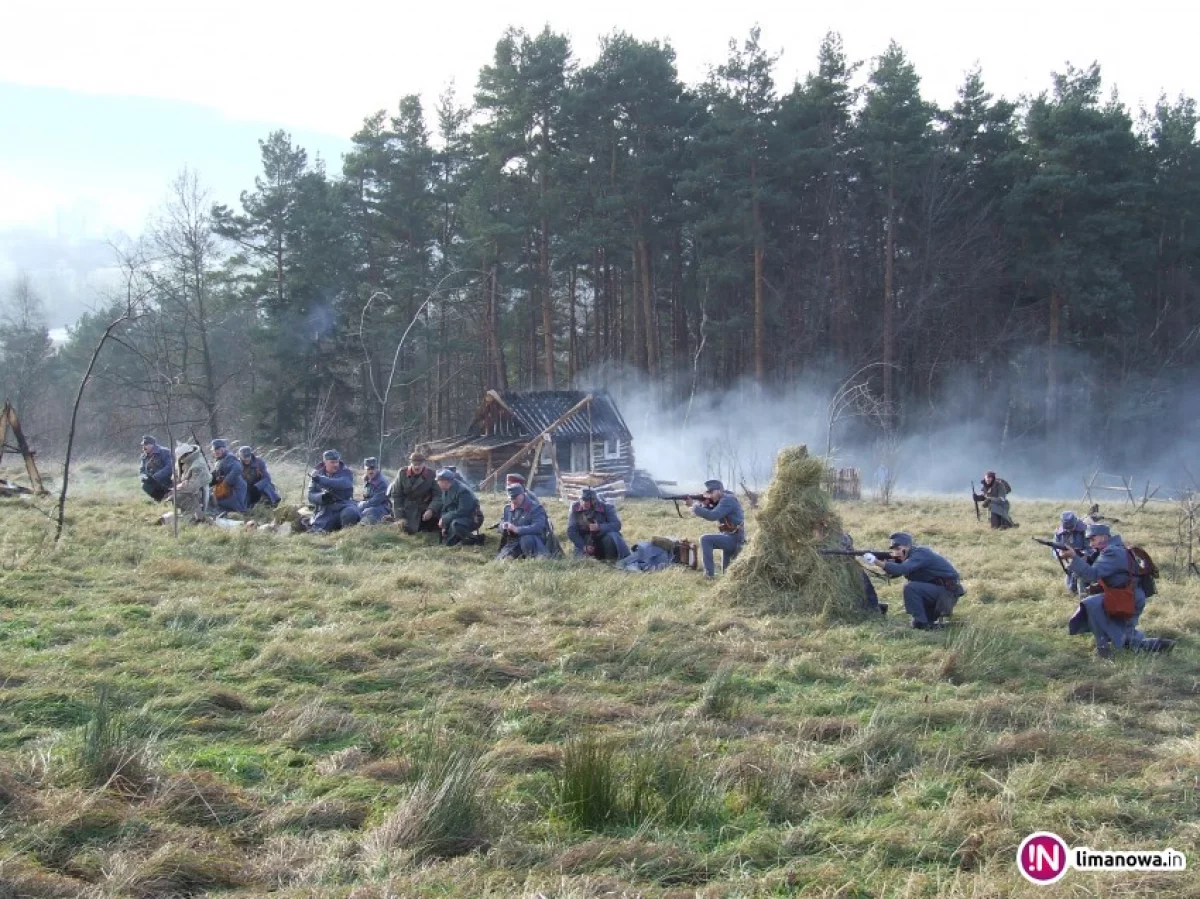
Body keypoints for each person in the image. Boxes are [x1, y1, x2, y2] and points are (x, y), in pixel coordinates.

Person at [1060, 523, 1172, 658]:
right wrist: (1082, 559)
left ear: (1102, 537)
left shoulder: (1111, 552)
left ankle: (1103, 648)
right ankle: (1158, 645)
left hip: (1126, 597)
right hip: (1130, 595)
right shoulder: (1115, 549)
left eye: (1092, 539)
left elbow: (1092, 574)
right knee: (1125, 636)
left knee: (1091, 605)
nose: (1091, 544)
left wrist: (1074, 558)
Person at [875, 532, 965, 629]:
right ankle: (950, 625)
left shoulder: (920, 553)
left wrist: (875, 561)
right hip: (936, 593)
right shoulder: (908, 557)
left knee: (911, 588)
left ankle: (922, 623)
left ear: (908, 546)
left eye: (898, 549)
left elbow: (902, 569)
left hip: (946, 594)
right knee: (923, 624)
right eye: (894, 550)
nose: (896, 553)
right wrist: (885, 563)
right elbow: (895, 573)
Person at [692, 479, 745, 578]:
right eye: (709, 493)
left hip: (735, 539)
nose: (710, 496)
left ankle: (709, 575)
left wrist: (695, 507)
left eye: (712, 492)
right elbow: (713, 510)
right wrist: (703, 505)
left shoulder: (727, 500)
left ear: (719, 491)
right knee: (727, 575)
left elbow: (713, 515)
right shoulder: (722, 500)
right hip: (729, 536)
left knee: (705, 539)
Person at [424, 468, 484, 546]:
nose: (437, 483)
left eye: (438, 481)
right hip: (457, 516)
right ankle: (457, 540)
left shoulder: (463, 491)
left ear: (445, 482)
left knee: (455, 525)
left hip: (472, 518)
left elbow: (463, 511)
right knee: (445, 525)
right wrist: (444, 525)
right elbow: (444, 508)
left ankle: (475, 539)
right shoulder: (446, 490)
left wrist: (445, 519)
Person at [567, 487, 629, 561]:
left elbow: (617, 525)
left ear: (593, 500)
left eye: (587, 500)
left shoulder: (606, 507)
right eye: (582, 500)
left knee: (610, 537)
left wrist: (599, 527)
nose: (584, 503)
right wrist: (583, 546)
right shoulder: (575, 508)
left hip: (604, 542)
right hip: (586, 542)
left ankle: (611, 561)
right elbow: (571, 531)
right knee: (580, 562)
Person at [496, 483, 552, 559]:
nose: (513, 500)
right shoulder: (507, 508)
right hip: (513, 542)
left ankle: (537, 558)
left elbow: (538, 527)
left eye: (515, 497)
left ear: (522, 494)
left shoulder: (536, 508)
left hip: (532, 541)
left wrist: (517, 529)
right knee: (502, 560)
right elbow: (501, 524)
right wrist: (503, 526)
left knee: (526, 539)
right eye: (511, 498)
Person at [389, 452, 439, 535]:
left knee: (430, 528)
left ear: (424, 463)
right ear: (410, 463)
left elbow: (438, 496)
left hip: (424, 508)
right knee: (405, 528)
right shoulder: (402, 473)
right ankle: (394, 520)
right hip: (406, 507)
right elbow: (396, 496)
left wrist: (431, 509)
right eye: (414, 464)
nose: (417, 467)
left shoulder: (431, 474)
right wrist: (400, 517)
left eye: (420, 464)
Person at [306, 450, 356, 534]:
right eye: (332, 462)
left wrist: (320, 479)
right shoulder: (316, 473)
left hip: (343, 505)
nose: (336, 465)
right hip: (325, 509)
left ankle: (347, 535)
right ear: (325, 462)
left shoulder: (346, 472)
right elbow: (310, 495)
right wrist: (322, 497)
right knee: (317, 531)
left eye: (337, 462)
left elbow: (343, 483)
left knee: (350, 513)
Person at [166, 443, 211, 520]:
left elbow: (192, 486)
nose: (180, 459)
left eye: (181, 457)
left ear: (186, 454)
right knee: (174, 496)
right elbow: (175, 475)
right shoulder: (184, 461)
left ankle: (198, 516)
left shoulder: (198, 465)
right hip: (187, 488)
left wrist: (178, 488)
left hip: (199, 492)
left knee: (178, 496)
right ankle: (187, 514)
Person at [344, 457, 391, 527]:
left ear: (377, 468)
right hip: (369, 505)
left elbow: (376, 501)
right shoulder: (367, 479)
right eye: (368, 469)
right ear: (365, 469)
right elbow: (366, 497)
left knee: (367, 512)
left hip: (382, 507)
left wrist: (361, 505)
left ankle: (362, 527)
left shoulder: (381, 482)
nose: (371, 471)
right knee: (350, 509)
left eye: (373, 468)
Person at [1054, 510, 1090, 594]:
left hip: (1084, 561)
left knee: (1082, 580)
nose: (1069, 530)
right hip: (1068, 562)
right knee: (1070, 586)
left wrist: (1081, 555)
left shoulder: (1085, 530)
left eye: (1071, 527)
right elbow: (1055, 549)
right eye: (1067, 528)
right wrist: (1060, 555)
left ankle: (1083, 596)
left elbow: (1090, 548)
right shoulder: (1059, 533)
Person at [210, 439, 248, 513]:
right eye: (214, 450)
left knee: (238, 509)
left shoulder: (229, 458)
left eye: (217, 449)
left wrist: (225, 482)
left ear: (223, 449)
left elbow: (238, 468)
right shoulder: (220, 459)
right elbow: (217, 473)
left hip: (236, 488)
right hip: (229, 488)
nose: (215, 452)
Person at [139, 436, 174, 502]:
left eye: (146, 444)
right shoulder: (144, 457)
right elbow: (142, 470)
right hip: (154, 481)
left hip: (168, 479)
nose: (144, 447)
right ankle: (162, 500)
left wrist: (157, 476)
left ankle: (169, 497)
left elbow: (170, 467)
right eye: (143, 445)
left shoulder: (165, 452)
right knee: (145, 485)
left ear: (152, 444)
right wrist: (143, 477)